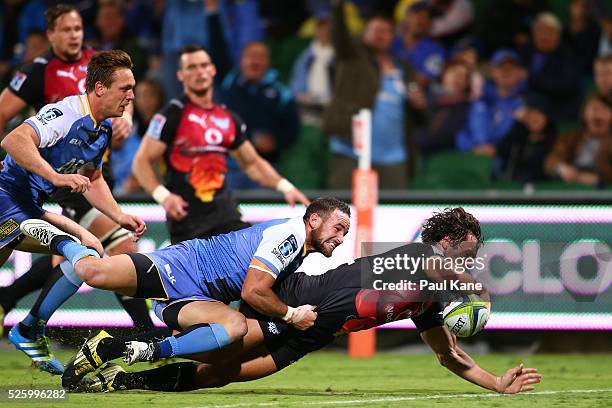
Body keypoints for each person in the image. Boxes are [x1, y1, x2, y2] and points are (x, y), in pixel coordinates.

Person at [67, 208, 538, 396]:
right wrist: (480, 292)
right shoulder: (418, 255)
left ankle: (123, 382)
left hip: (309, 339)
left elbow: (448, 354)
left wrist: (496, 383)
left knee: (217, 375)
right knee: (215, 348)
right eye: (470, 252)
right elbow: (445, 268)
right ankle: (118, 348)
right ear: (451, 242)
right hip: (298, 305)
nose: (472, 260)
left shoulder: (429, 304)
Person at [19, 197, 349, 383]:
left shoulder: (299, 248)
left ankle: (116, 349)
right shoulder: (290, 235)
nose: (341, 237)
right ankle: (60, 240)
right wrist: (292, 315)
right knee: (92, 271)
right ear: (315, 221)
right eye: (338, 228)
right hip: (181, 268)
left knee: (232, 335)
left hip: (198, 297)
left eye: (346, 232)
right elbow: (252, 292)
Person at [0, 4, 158, 343]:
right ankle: (28, 327)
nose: (132, 97)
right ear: (100, 88)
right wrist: (55, 177)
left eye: (78, 28)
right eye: (125, 89)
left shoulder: (100, 127)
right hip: (14, 197)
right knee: (83, 252)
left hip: (33, 204)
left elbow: (94, 178)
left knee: (84, 251)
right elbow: (13, 137)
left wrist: (119, 214)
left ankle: (25, 323)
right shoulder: (61, 104)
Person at [132, 44, 309, 244]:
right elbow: (141, 162)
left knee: (255, 264)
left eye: (204, 65)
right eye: (191, 67)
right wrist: (164, 196)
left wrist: (286, 187)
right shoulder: (171, 116)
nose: (199, 72)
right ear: (180, 75)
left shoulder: (228, 118)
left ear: (213, 70)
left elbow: (252, 163)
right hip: (188, 223)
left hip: (227, 218)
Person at [324, 0, 426, 189]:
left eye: (385, 31)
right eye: (375, 30)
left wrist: (419, 104)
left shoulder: (403, 67)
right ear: (364, 33)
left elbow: (418, 107)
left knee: (394, 215)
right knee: (340, 213)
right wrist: (337, 8)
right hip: (351, 151)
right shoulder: (351, 57)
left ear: (392, 36)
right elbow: (340, 38)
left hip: (394, 157)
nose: (380, 35)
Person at [544, 94, 612, 187]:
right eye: (594, 109)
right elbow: (551, 161)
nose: (599, 115)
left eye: (604, 109)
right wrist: (561, 168)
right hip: (570, 189)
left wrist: (600, 178)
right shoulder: (570, 138)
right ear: (584, 114)